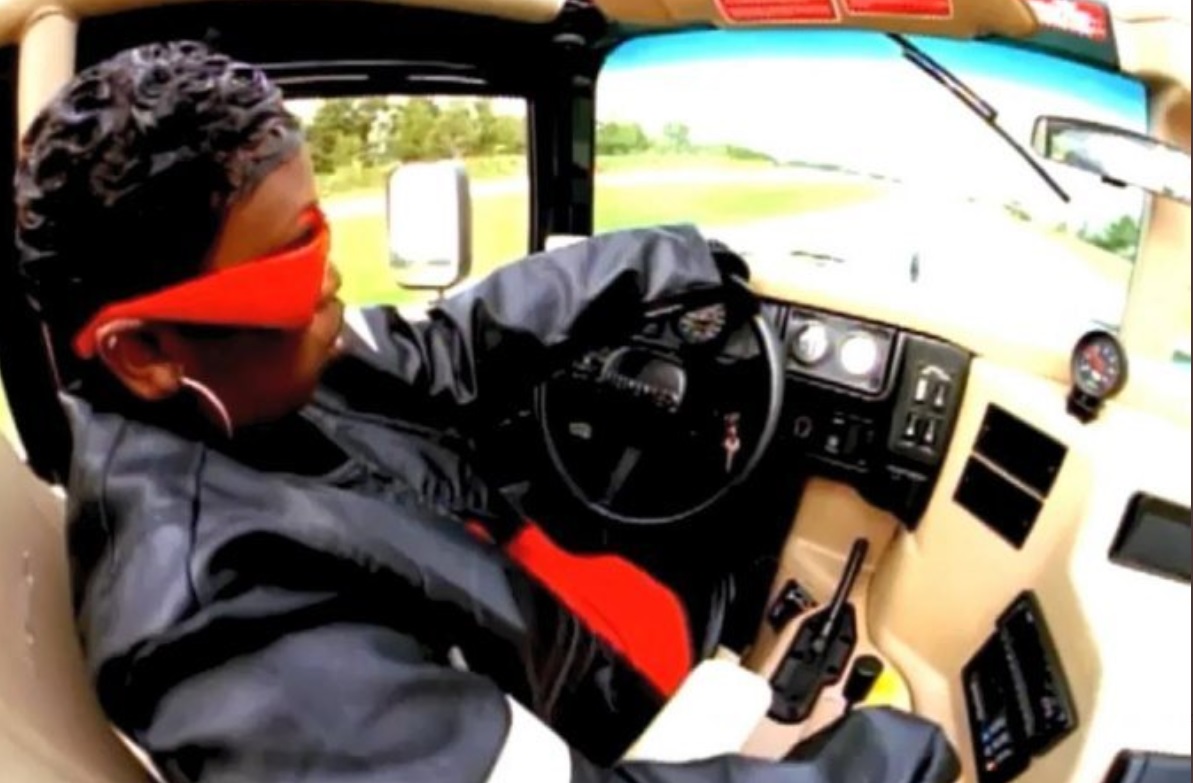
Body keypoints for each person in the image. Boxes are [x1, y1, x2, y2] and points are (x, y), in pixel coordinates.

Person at [15, 40, 959, 783]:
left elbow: (454, 345)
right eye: (291, 266)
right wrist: (884, 757)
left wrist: (670, 257)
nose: (333, 278)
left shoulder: (256, 382)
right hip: (583, 721)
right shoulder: (236, 647)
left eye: (322, 230)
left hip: (550, 624)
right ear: (142, 352)